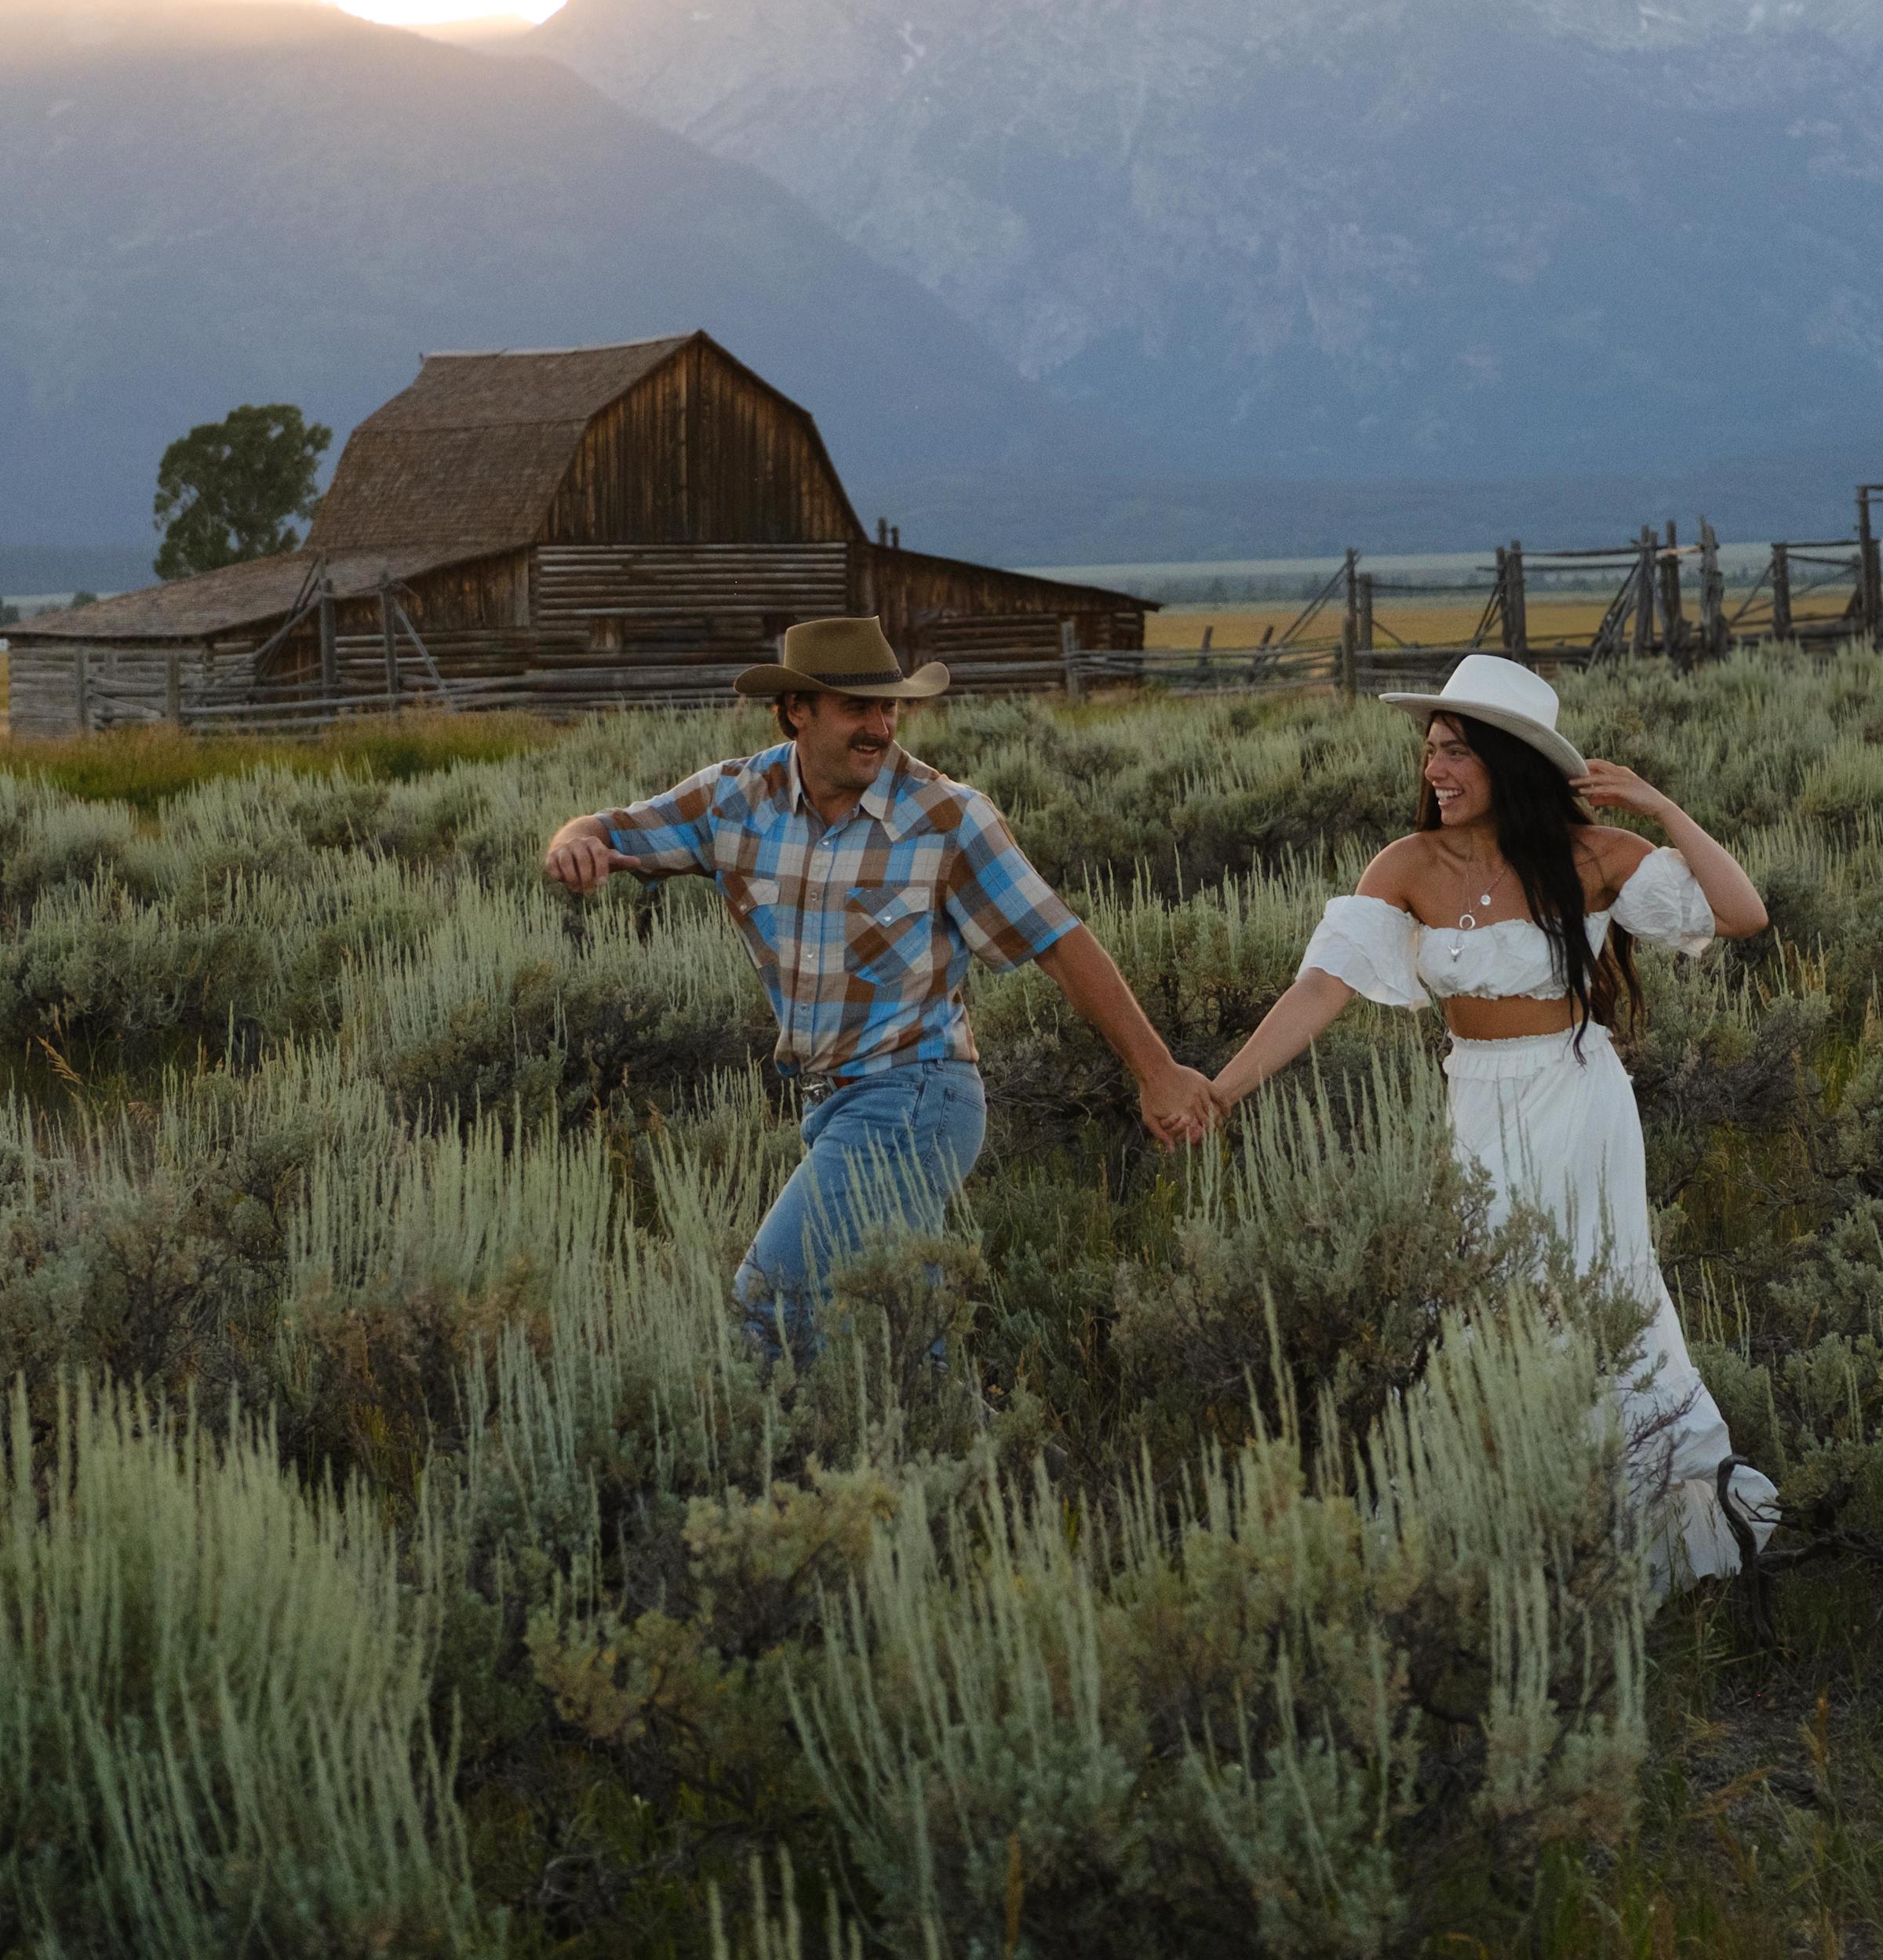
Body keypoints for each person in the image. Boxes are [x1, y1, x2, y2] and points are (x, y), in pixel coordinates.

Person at [1207, 652, 1779, 1586]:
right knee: (1481, 1294)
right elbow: (1322, 986)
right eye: (1432, 750)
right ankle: (1497, 1524)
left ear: (1510, 763)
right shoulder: (1407, 864)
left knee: (1601, 1292)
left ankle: (1638, 1525)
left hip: (1577, 1093)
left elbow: (1742, 913)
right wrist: (1223, 1091)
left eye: (1459, 752)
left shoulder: (1588, 855)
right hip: (1476, 1093)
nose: (1437, 770)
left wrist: (1663, 811)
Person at [545, 615, 1215, 1337]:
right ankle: (953, 1447)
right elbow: (604, 830)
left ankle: (765, 1447)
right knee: (899, 1337)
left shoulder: (945, 816)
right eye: (856, 707)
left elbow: (1058, 939)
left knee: (768, 1309)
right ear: (797, 710)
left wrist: (1156, 1070)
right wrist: (572, 846)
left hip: (916, 1096)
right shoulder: (734, 799)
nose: (880, 727)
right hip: (828, 1105)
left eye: (889, 706)